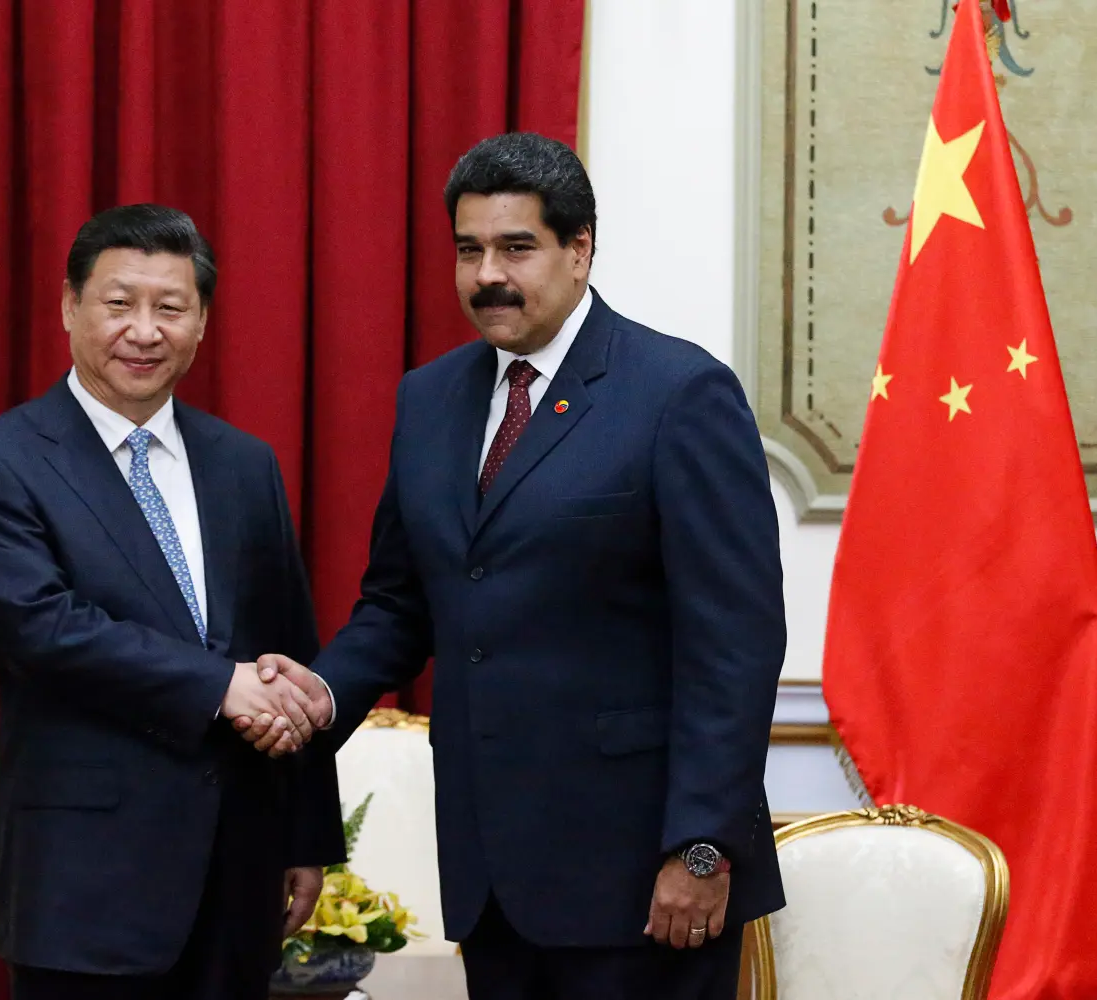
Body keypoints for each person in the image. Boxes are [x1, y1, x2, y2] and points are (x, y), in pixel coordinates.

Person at [256, 132, 787, 999]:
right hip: (493, 879)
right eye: (469, 250)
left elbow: (735, 644)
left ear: (579, 250)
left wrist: (702, 849)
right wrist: (318, 693)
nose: (487, 275)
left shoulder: (679, 393)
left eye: (516, 248)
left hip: (647, 882)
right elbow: (399, 604)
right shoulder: (430, 398)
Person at [0, 204, 343, 1000]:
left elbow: (289, 648)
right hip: (87, 883)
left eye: (171, 307)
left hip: (237, 879)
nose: (144, 330)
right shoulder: (0, 463)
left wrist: (306, 836)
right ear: (69, 307)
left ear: (201, 323)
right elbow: (43, 630)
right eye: (119, 303)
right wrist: (218, 685)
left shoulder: (244, 464)